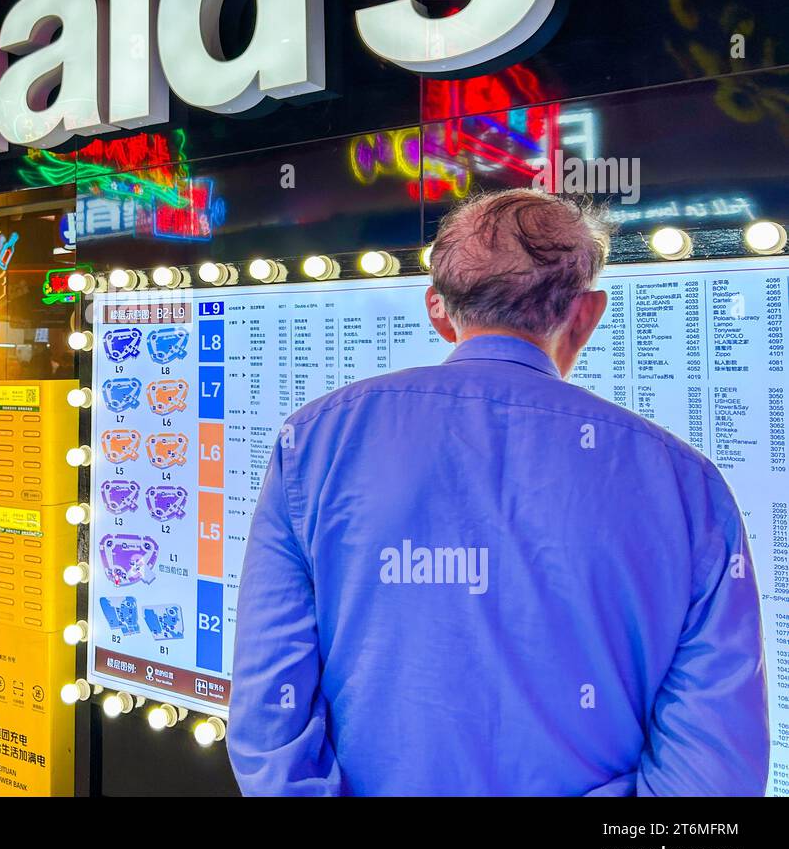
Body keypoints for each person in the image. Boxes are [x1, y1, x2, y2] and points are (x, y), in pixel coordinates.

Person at [228, 189, 769, 797]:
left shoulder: (315, 441)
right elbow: (713, 775)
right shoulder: (687, 484)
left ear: (440, 312)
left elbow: (268, 716)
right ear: (588, 314)